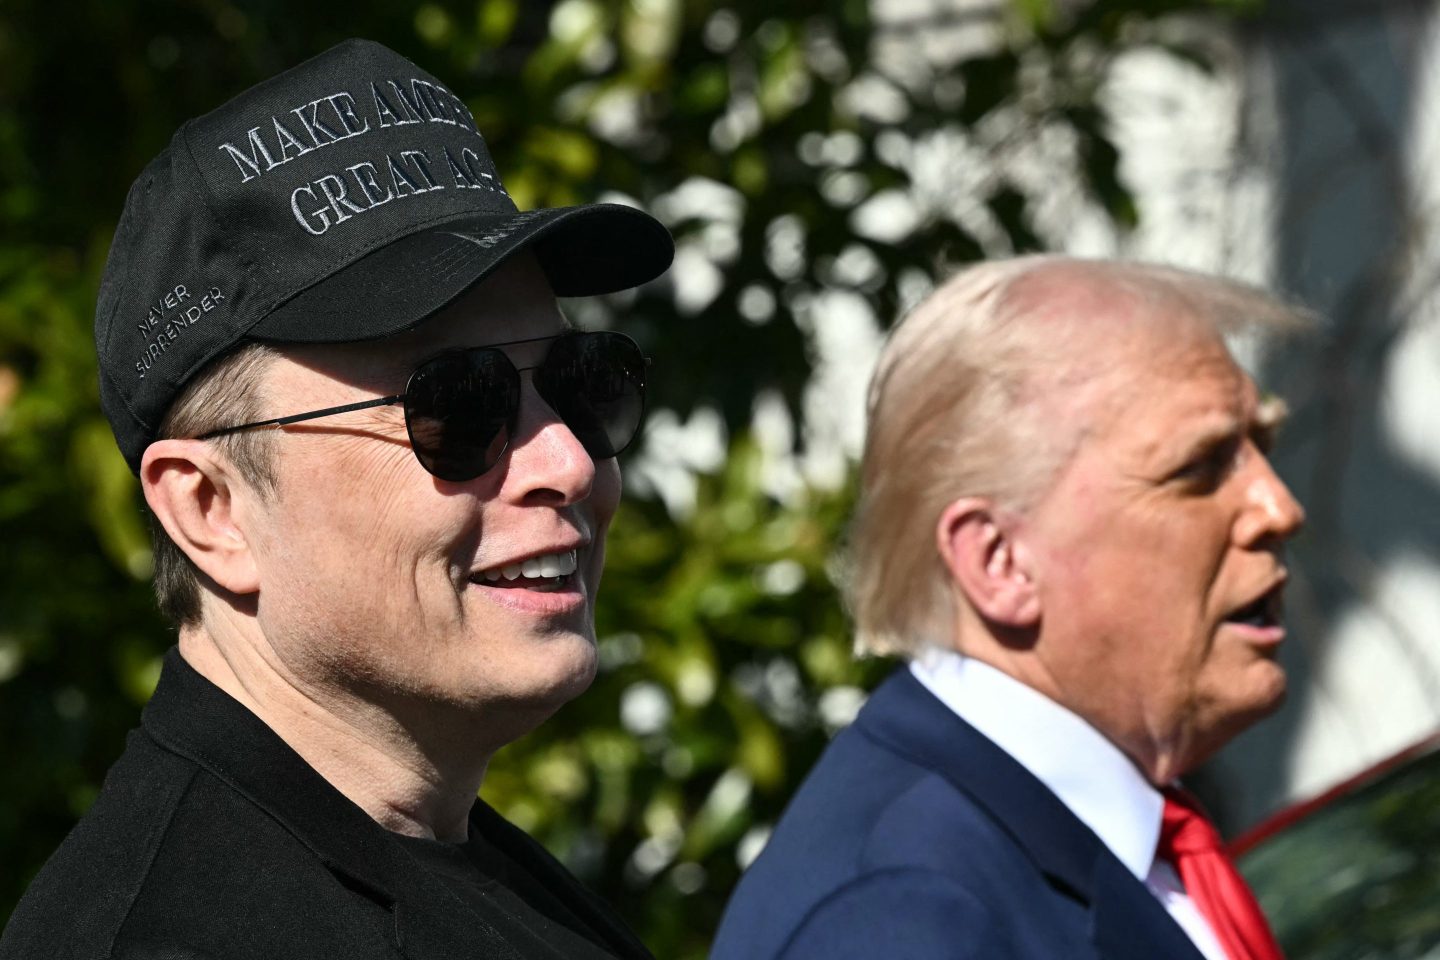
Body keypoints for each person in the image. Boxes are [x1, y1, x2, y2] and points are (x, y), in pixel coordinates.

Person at [0, 38, 672, 960]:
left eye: (580, 379)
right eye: (456, 404)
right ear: (211, 511)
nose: (566, 457)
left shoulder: (444, 852)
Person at [711, 256, 1306, 960]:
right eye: (1200, 467)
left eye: (1260, 445)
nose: (1278, 508)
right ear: (999, 561)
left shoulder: (1112, 831)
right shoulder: (902, 918)